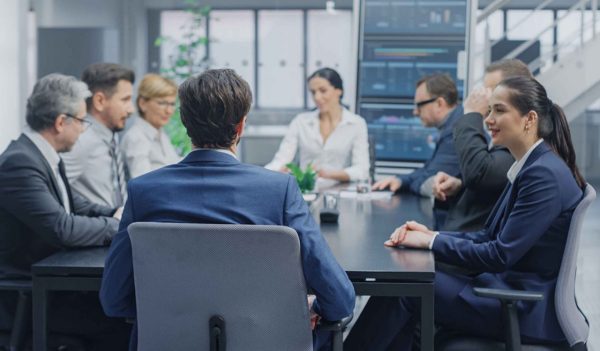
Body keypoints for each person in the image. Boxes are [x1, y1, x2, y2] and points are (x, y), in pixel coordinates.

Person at [100, 69, 355, 350]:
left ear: (185, 123)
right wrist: (311, 305)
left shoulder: (143, 191)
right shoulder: (278, 190)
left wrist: (175, 315)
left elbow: (113, 299)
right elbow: (340, 299)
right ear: (240, 127)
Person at [344, 76, 585, 350]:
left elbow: (499, 254)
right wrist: (431, 235)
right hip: (506, 293)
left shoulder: (543, 175)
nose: (489, 119)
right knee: (405, 284)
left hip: (519, 306)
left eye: (499, 110)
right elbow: (487, 236)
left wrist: (431, 242)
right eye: (490, 110)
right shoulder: (532, 166)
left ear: (529, 119)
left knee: (405, 289)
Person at [0, 73, 129, 349]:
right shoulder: (20, 163)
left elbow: (78, 205)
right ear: (61, 122)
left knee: (122, 308)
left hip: (51, 281)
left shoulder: (42, 155)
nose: (84, 129)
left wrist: (118, 212)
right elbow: (63, 229)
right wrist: (116, 225)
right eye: (82, 121)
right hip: (26, 294)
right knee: (119, 319)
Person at [433, 59, 533, 231]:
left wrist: (472, 114)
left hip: (473, 247)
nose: (486, 101)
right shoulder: (510, 139)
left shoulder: (524, 145)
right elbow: (491, 181)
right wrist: (459, 185)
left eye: (492, 92)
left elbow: (479, 172)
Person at [265, 68, 369, 182]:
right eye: (313, 92)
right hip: (307, 191)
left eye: (323, 91)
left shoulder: (356, 124)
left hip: (340, 190)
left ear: (339, 91)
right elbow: (281, 160)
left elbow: (362, 170)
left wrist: (329, 174)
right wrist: (266, 174)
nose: (317, 97)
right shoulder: (301, 122)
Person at [372, 74, 463, 197]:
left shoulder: (456, 132)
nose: (415, 112)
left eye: (419, 105)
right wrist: (400, 180)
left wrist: (411, 183)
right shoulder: (451, 126)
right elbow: (427, 170)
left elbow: (428, 182)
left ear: (439, 104)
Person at [62, 62, 135, 208]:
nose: (131, 109)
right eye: (125, 100)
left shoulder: (110, 138)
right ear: (99, 101)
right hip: (96, 227)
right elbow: (52, 190)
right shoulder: (81, 140)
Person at [121, 74, 181, 178]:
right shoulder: (136, 138)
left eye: (172, 104)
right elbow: (142, 183)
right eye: (162, 103)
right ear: (142, 103)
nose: (169, 111)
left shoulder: (160, 134)